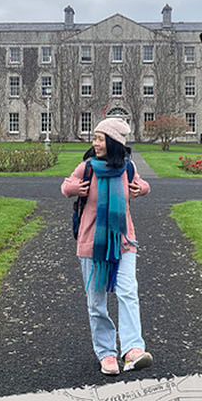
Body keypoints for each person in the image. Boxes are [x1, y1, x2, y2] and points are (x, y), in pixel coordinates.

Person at [60, 117, 153, 375]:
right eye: (95, 138)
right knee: (96, 301)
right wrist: (75, 188)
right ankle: (107, 352)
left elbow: (144, 185)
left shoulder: (128, 169)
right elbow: (65, 186)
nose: (95, 143)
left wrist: (141, 189)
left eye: (100, 139)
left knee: (128, 291)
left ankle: (133, 350)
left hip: (123, 241)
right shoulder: (88, 167)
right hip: (92, 243)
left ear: (112, 142)